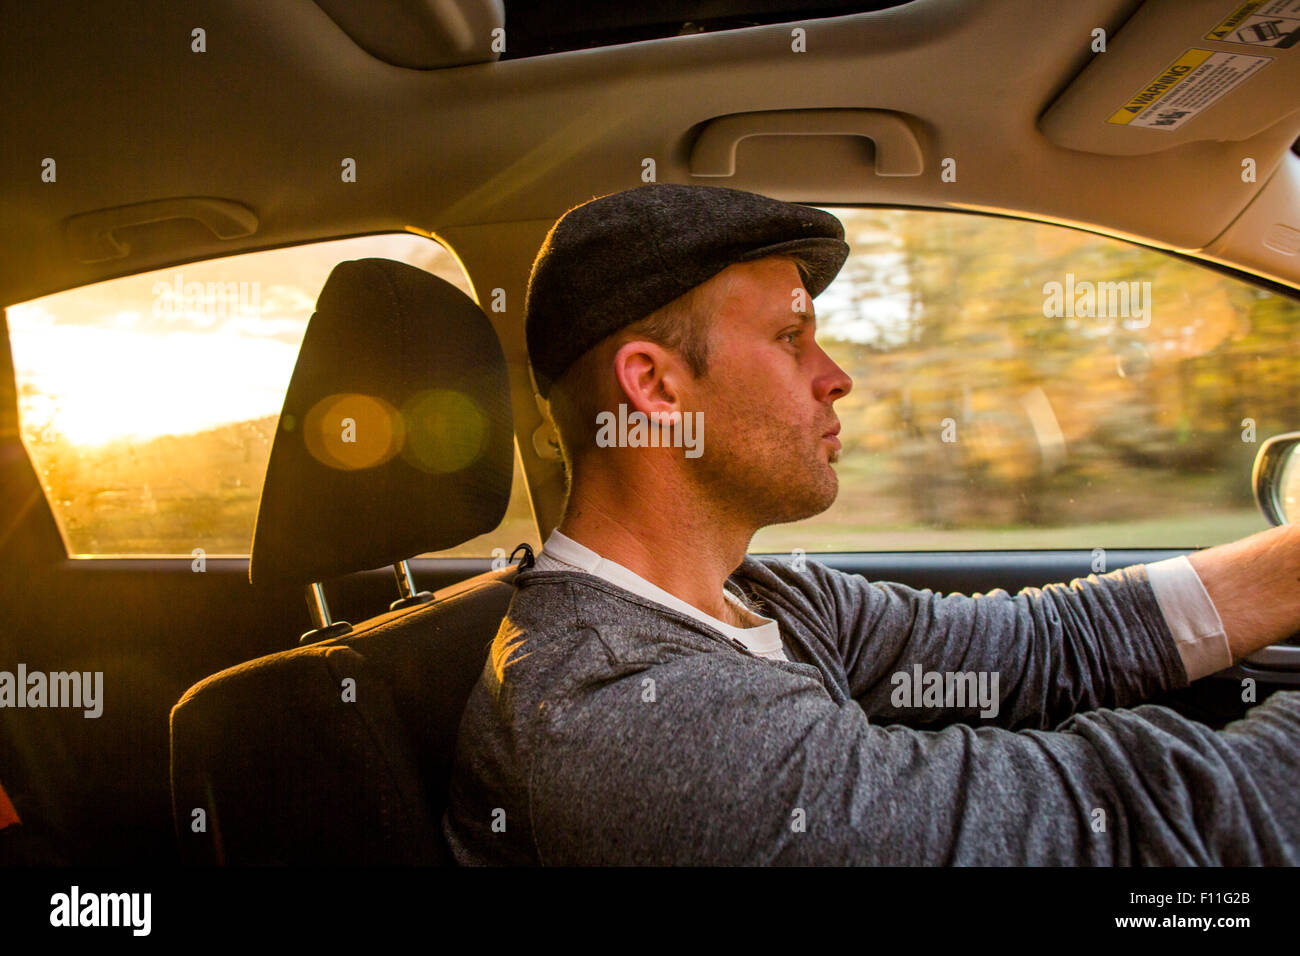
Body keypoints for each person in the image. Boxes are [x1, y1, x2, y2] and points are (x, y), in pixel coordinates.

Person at [443, 183, 1300, 864]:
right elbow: (1131, 832)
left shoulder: (764, 598)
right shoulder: (626, 713)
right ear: (656, 387)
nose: (837, 376)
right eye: (791, 337)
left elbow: (1042, 646)